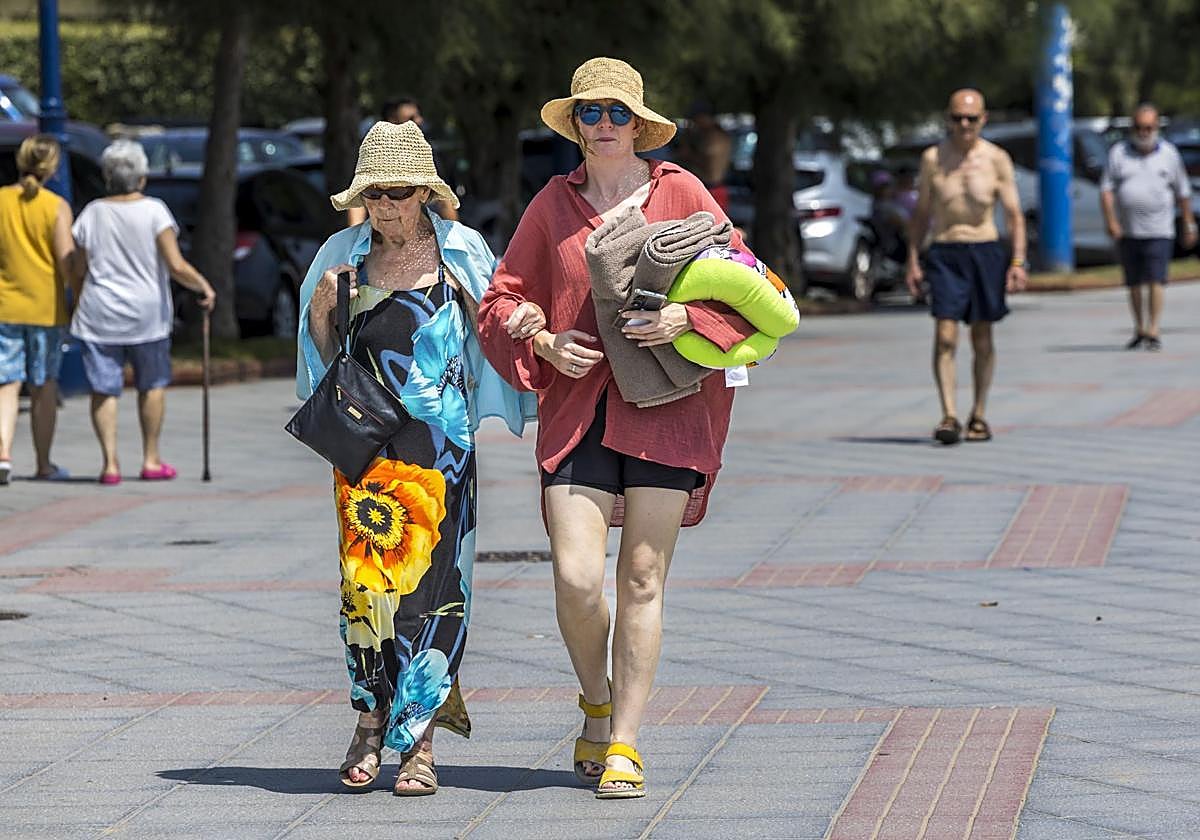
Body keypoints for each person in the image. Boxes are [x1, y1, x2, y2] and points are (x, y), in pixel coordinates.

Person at [478, 57, 757, 799]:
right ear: (575, 124)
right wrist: (539, 339)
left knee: (640, 576)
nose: (603, 126)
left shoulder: (681, 192)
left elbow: (750, 282)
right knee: (574, 577)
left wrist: (685, 318)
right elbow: (499, 301)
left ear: (639, 124)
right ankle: (594, 702)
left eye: (616, 113)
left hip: (669, 410)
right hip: (578, 414)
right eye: (590, 113)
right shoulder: (552, 203)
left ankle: (624, 740)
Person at [296, 120, 534, 795]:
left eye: (396, 194)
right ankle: (369, 721)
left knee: (436, 593)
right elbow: (322, 358)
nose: (384, 208)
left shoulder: (460, 251)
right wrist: (321, 308)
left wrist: (522, 332)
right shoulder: (342, 252)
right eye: (372, 195)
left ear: (424, 192)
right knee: (364, 591)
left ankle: (419, 745)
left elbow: (498, 327)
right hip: (363, 454)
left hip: (440, 455)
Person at [69, 140, 216, 484]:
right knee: (151, 384)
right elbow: (176, 264)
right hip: (146, 315)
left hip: (100, 311)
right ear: (142, 177)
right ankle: (150, 459)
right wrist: (203, 288)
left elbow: (78, 265)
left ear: (108, 177)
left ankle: (110, 464)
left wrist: (77, 295)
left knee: (104, 389)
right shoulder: (154, 211)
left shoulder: (92, 213)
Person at [905, 88, 1026, 445]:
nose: (964, 125)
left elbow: (1015, 215)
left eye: (971, 118)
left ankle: (979, 414)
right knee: (945, 335)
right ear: (948, 119)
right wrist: (913, 259)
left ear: (983, 119)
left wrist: (1017, 261)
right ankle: (949, 415)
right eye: (957, 118)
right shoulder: (933, 159)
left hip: (985, 250)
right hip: (945, 250)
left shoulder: (996, 159)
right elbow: (922, 214)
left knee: (982, 336)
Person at [0, 134, 75, 486]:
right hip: (46, 309)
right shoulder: (56, 206)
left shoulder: (0, 200)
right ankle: (43, 464)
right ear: (52, 167)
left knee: (6, 385)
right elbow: (66, 262)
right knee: (44, 386)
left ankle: (2, 453)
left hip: (4, 306)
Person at [1099, 103, 1197, 351]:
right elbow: (1107, 190)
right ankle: (1139, 327)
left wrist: (1188, 223)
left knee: (1155, 278)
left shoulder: (1169, 154)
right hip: (1128, 229)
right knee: (1133, 282)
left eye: (1149, 127)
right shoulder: (1119, 153)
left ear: (1157, 128)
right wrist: (1111, 220)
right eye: (1139, 127)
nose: (1143, 132)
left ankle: (1153, 329)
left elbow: (1182, 191)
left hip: (1160, 229)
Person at [348, 96, 459, 224]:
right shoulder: (373, 153)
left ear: (424, 192)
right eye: (411, 118)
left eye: (401, 191)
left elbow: (444, 199)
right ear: (392, 120)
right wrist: (356, 240)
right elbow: (357, 201)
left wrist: (453, 237)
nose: (419, 121)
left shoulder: (424, 152)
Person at [674, 101, 733, 211]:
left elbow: (709, 162)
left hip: (711, 188)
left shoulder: (714, 137)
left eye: (696, 119)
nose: (695, 122)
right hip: (711, 187)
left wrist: (687, 149)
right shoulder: (711, 134)